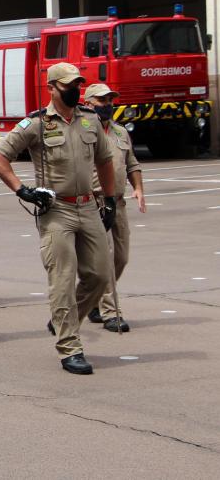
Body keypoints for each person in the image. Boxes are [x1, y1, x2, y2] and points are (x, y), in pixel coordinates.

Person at [0, 62, 115, 375]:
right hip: (55, 210)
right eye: (68, 85)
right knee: (62, 277)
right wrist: (22, 190)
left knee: (99, 275)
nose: (75, 90)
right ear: (52, 89)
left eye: (78, 85)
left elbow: (105, 160)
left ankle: (63, 319)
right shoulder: (37, 124)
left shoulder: (89, 120)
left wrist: (109, 200)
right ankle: (70, 346)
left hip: (88, 206)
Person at [83, 83, 146, 333]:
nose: (108, 105)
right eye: (102, 101)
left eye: (110, 100)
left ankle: (94, 298)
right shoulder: (84, 132)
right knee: (106, 258)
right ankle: (111, 312)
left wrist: (138, 188)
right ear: (88, 104)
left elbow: (132, 163)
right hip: (93, 203)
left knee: (121, 257)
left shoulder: (120, 132)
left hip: (117, 203)